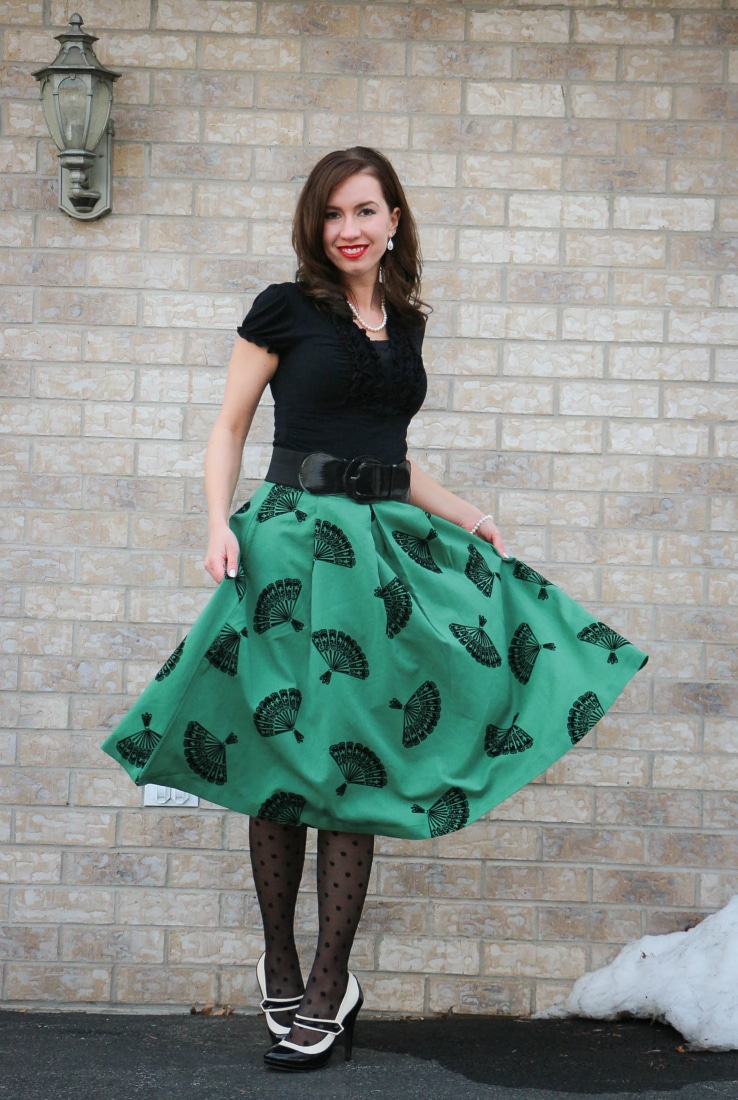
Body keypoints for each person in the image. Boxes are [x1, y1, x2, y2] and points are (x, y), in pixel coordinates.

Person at [103, 147, 647, 1073]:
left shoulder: (407, 324)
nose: (348, 228)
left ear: (395, 218)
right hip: (286, 547)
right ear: (316, 227)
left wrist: (468, 513)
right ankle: (279, 961)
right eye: (332, 214)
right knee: (277, 751)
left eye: (365, 210)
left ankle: (329, 984)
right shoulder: (285, 308)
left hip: (379, 558)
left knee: (351, 755)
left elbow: (392, 454)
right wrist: (215, 522)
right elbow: (230, 424)